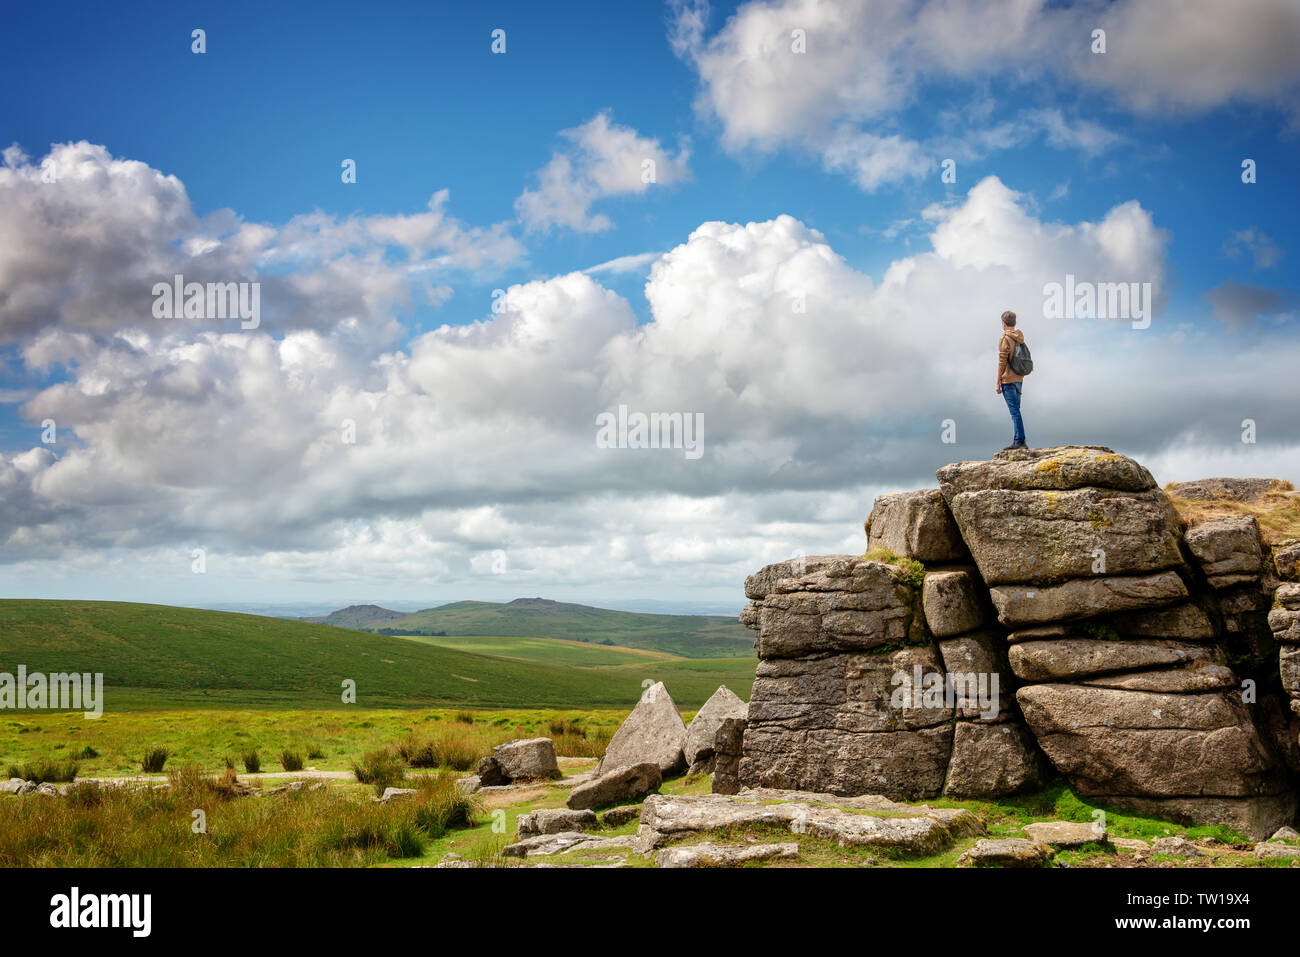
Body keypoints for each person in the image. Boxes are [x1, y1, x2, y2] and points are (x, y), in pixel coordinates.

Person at [995, 310, 1027, 451]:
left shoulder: (1005, 339)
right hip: (1019, 378)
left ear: (1003, 323)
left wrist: (997, 381)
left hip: (1008, 379)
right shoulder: (1019, 337)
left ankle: (1019, 441)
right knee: (1017, 411)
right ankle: (1017, 440)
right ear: (1014, 323)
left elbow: (1002, 362)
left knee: (1015, 412)